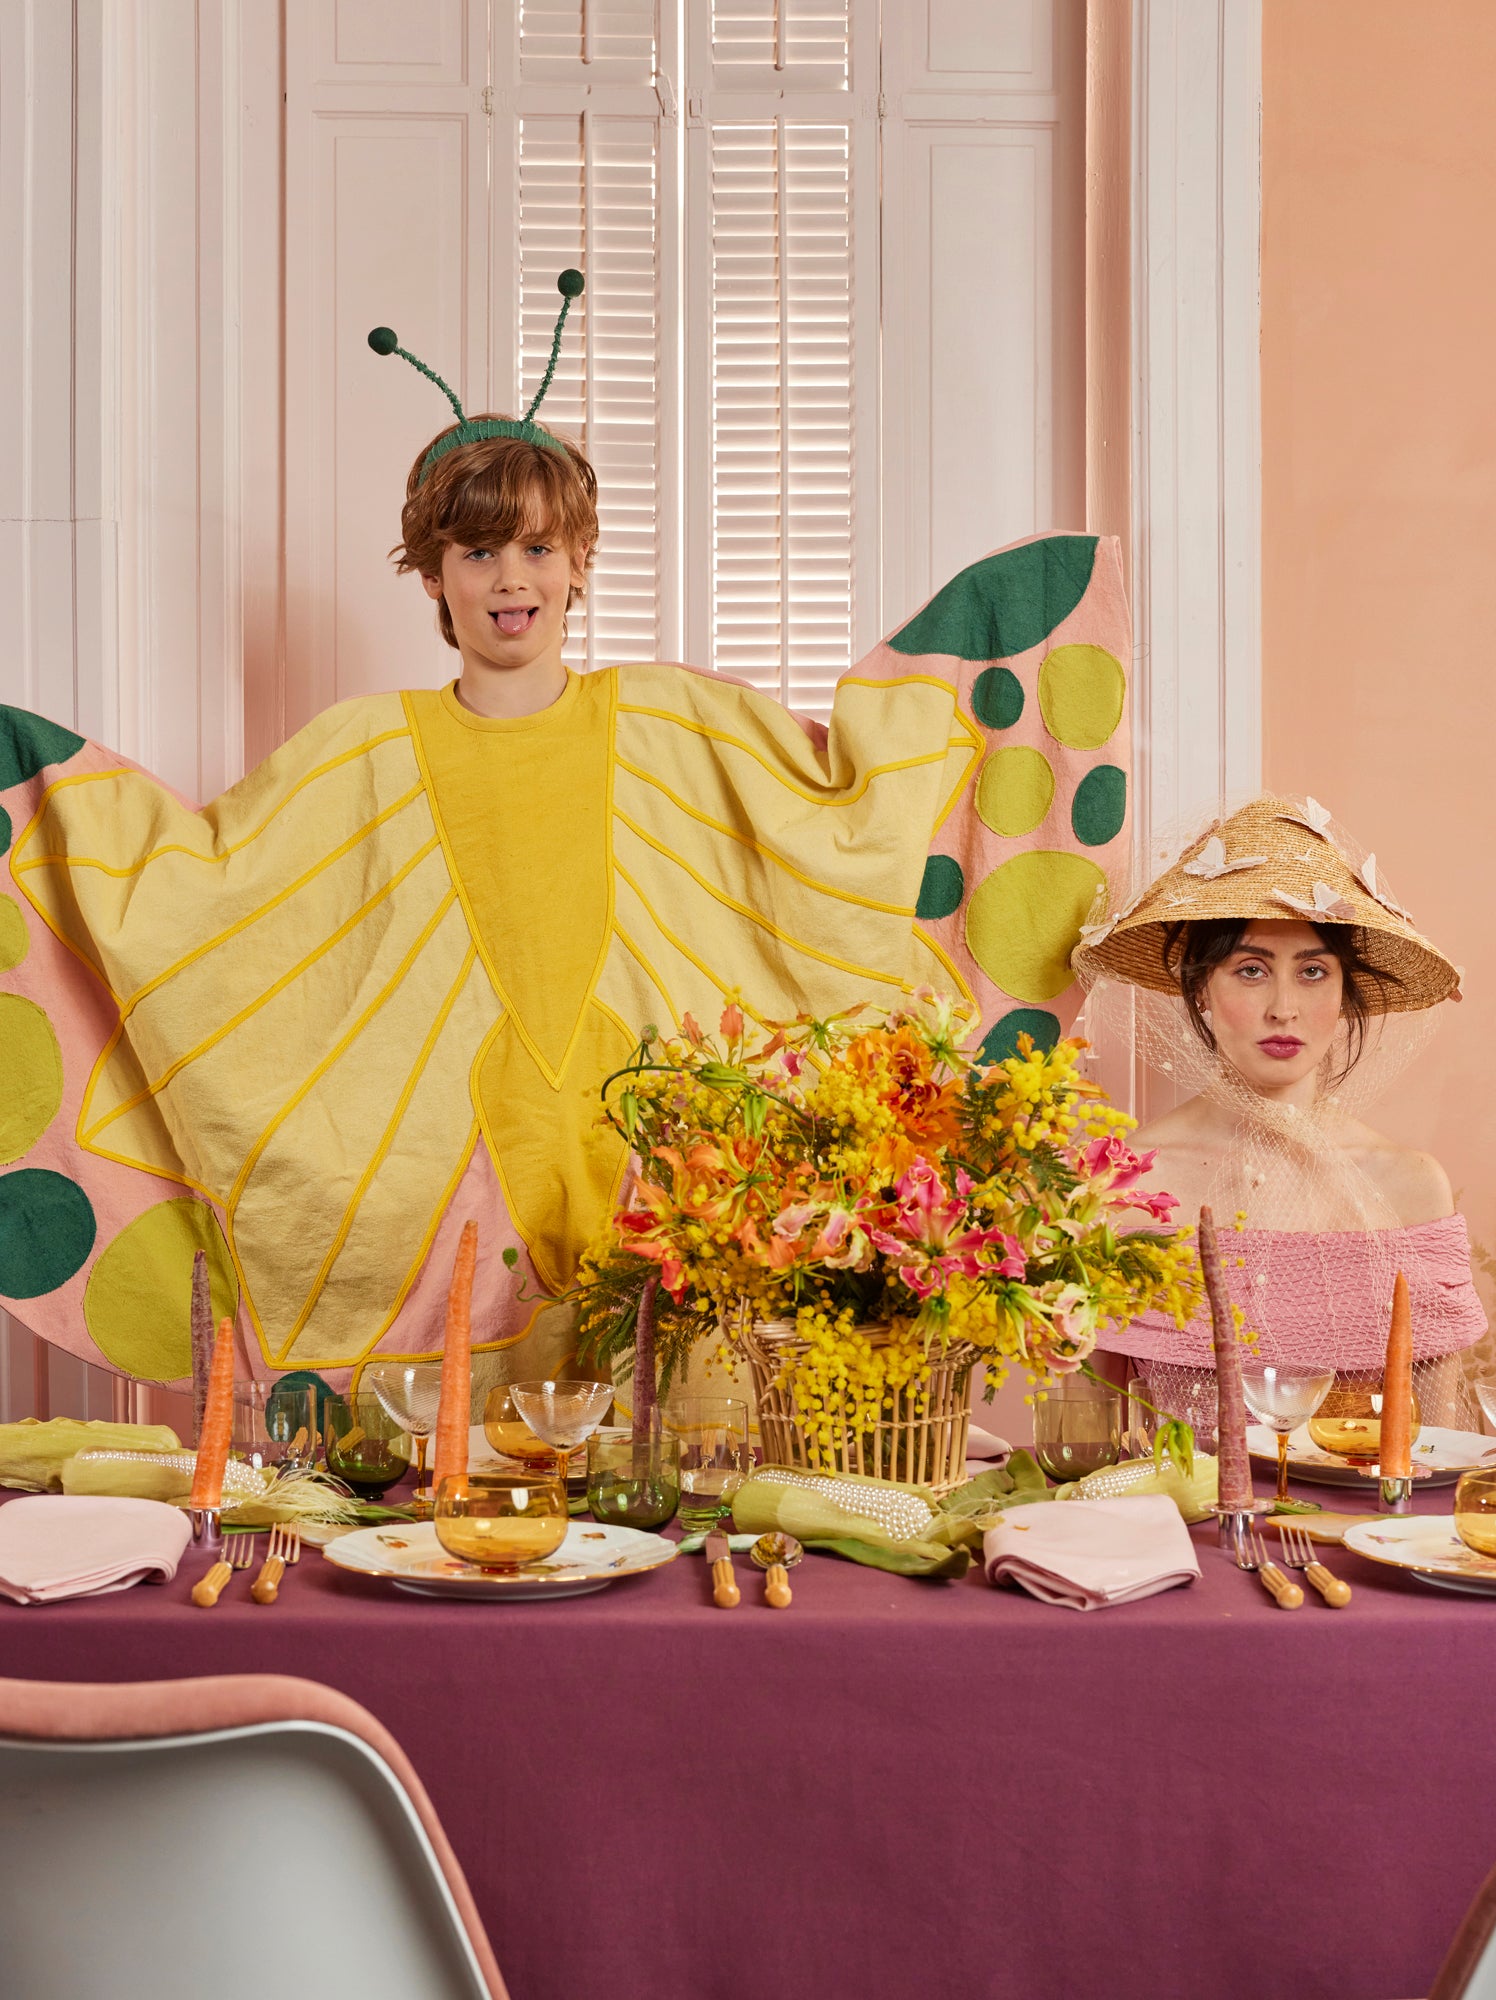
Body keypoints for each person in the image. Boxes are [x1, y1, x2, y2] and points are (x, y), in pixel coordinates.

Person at [0, 274, 1135, 1393]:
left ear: (580, 561)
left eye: (539, 549)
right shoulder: (359, 747)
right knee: (456, 1446)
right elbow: (204, 898)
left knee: (665, 1419)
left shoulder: (670, 717)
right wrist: (37, 799)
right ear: (433, 575)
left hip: (654, 1146)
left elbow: (843, 823)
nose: (512, 580)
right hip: (437, 1174)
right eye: (480, 553)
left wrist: (989, 646)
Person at [1072, 793, 1487, 1432]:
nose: (1284, 1009)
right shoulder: (1132, 1184)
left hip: (1368, 1533)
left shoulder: (1409, 1186)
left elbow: (1435, 1453)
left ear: (1348, 994)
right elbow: (1088, 1451)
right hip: (1179, 1529)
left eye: (1314, 971)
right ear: (1200, 989)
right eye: (1251, 969)